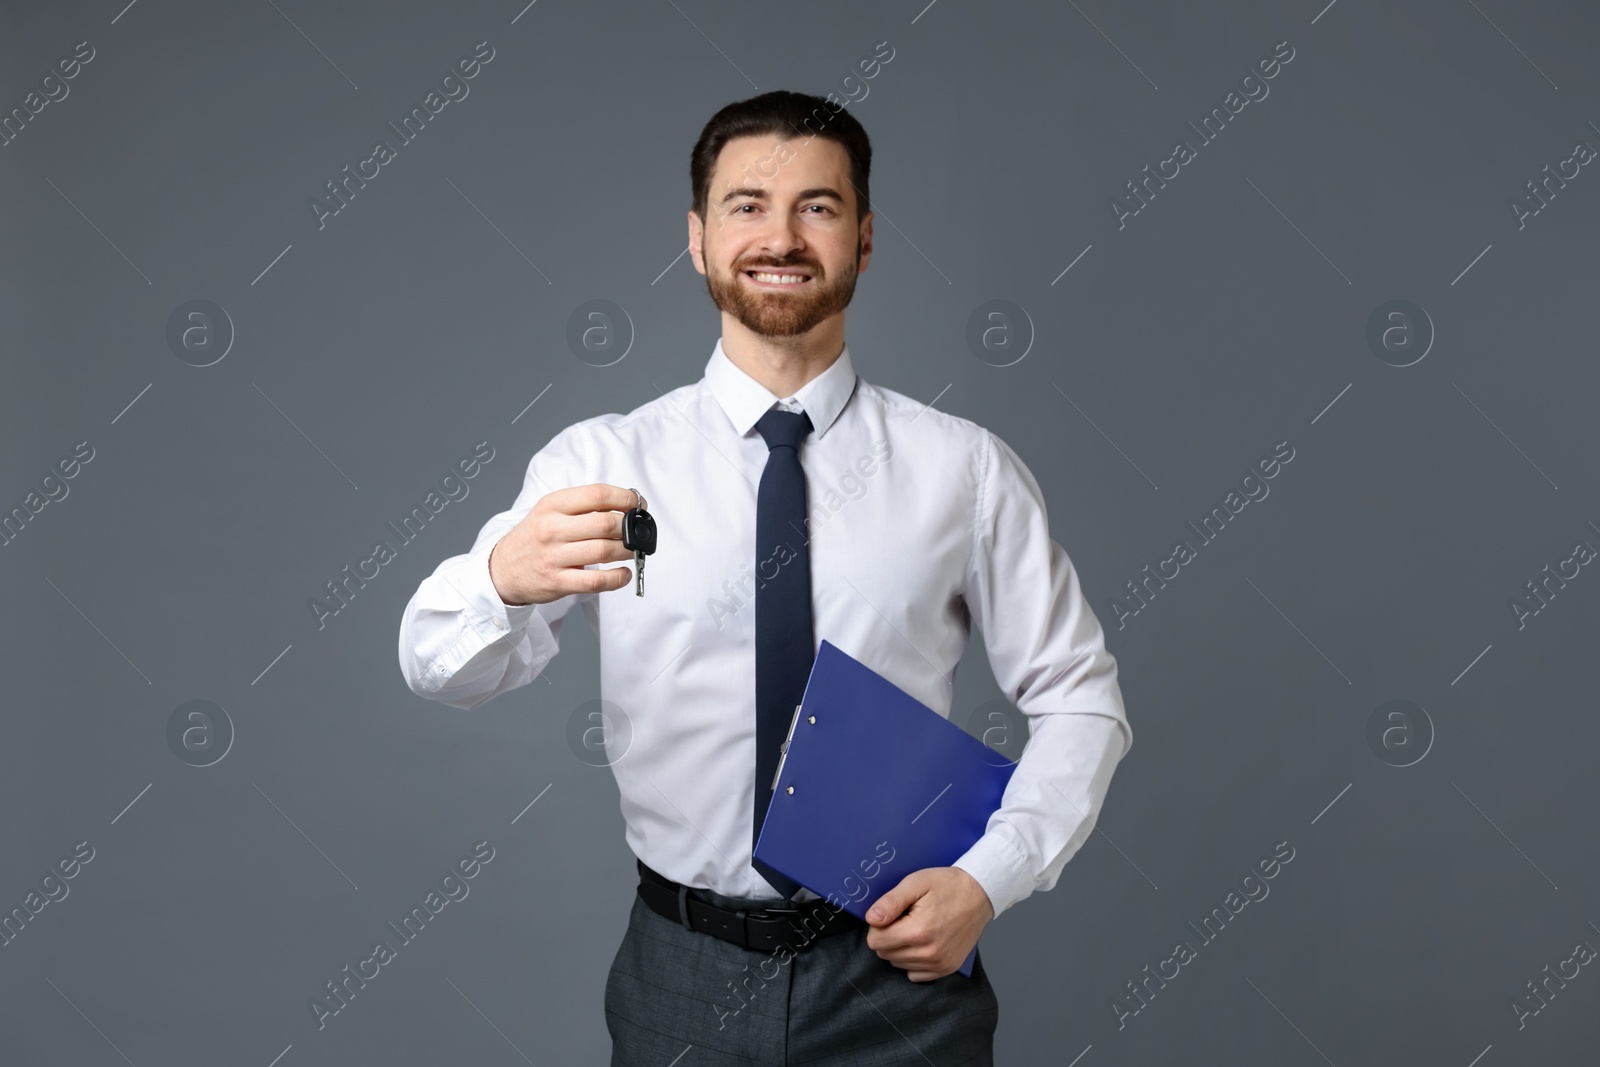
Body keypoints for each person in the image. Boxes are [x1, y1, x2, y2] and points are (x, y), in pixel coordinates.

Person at [397, 89, 1131, 1066]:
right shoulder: (602, 461)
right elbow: (436, 666)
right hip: (678, 970)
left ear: (863, 239)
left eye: (816, 207)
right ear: (697, 239)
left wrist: (989, 877)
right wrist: (498, 578)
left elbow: (1082, 700)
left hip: (896, 975)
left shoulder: (965, 469)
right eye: (746, 204)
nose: (780, 236)